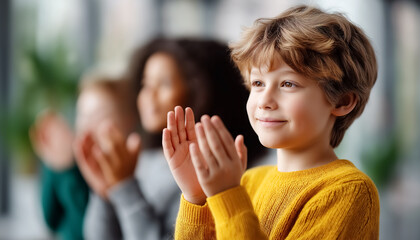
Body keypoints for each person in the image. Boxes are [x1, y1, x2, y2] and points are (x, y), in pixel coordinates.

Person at [163, 5, 380, 239]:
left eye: (288, 84)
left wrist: (227, 195)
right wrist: (197, 196)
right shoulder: (248, 181)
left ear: (342, 101)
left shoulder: (349, 191)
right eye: (257, 83)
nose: (264, 101)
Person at [78, 38, 268, 240]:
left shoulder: (207, 172)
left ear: (200, 92)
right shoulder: (143, 161)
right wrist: (105, 195)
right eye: (145, 83)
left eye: (164, 84)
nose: (148, 94)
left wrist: (125, 188)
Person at [30, 72, 138, 240]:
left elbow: (88, 233)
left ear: (128, 120)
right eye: (83, 115)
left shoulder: (128, 172)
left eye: (99, 115)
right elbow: (50, 221)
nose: (88, 124)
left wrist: (68, 170)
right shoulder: (72, 160)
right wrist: (55, 165)